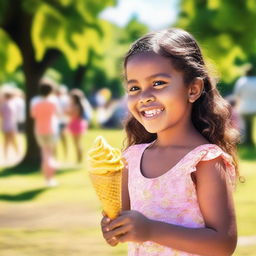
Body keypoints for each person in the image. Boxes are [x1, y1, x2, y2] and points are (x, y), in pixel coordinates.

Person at [100, 28, 239, 256]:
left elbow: (223, 244)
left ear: (193, 89)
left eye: (158, 83)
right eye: (134, 87)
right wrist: (113, 227)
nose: (144, 96)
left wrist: (150, 230)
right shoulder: (131, 159)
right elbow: (122, 222)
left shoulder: (204, 160)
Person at [30, 82, 59, 187]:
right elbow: (57, 114)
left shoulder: (35, 101)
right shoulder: (53, 101)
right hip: (51, 129)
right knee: (50, 154)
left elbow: (33, 115)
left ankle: (47, 178)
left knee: (44, 154)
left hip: (39, 129)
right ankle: (51, 177)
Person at [234, 66, 256, 146]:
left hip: (244, 106)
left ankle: (246, 141)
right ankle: (250, 141)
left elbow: (237, 94)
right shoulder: (255, 81)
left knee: (244, 124)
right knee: (250, 124)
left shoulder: (242, 81)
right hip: (254, 106)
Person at [67, 89, 88, 163]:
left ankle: (79, 158)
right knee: (77, 142)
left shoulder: (76, 106)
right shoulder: (80, 105)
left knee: (77, 143)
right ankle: (79, 158)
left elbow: (74, 115)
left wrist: (68, 112)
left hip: (76, 124)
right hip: (77, 124)